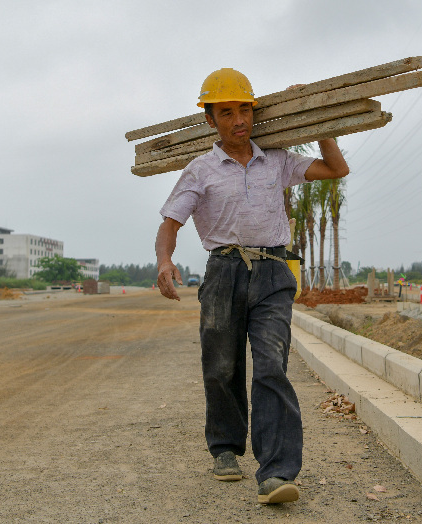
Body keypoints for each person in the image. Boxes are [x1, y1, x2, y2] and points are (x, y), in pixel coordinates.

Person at [155, 68, 349, 504]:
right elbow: (170, 223)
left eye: (245, 109)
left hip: (273, 271)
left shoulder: (277, 160)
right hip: (222, 272)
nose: (239, 119)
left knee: (271, 365)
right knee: (222, 366)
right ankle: (225, 447)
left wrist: (318, 121)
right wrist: (165, 260)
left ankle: (277, 472)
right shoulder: (199, 170)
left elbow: (337, 168)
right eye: (227, 112)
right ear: (211, 120)